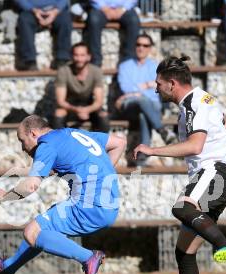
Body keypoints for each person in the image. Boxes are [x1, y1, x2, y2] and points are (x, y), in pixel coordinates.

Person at [133, 56, 226, 274]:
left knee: (182, 207)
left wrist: (152, 149)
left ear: (172, 83)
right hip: (215, 177)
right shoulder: (202, 99)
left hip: (211, 174)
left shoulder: (194, 103)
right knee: (183, 253)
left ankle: (224, 245)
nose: (156, 89)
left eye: (159, 84)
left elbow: (196, 146)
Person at [0, 115, 126, 274]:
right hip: (109, 205)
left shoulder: (46, 145)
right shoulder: (71, 134)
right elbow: (119, 142)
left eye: (22, 140)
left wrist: (6, 197)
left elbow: (30, 186)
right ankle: (8, 267)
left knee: (32, 232)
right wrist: (101, 175)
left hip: (90, 206)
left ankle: (88, 257)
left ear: (33, 133)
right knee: (43, 227)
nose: (22, 148)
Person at [116, 33, 177, 166]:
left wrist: (137, 91)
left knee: (144, 113)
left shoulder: (156, 67)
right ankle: (162, 130)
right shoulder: (124, 66)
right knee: (143, 101)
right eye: (138, 44)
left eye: (145, 45)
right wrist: (148, 86)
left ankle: (141, 158)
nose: (141, 48)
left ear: (150, 48)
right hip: (130, 105)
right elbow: (125, 88)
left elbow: (160, 88)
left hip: (150, 105)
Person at [54, 41, 109, 132]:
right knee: (59, 114)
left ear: (89, 56)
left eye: (82, 55)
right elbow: (61, 101)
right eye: (76, 55)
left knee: (103, 115)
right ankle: (59, 143)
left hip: (89, 105)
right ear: (72, 56)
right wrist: (77, 110)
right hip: (70, 106)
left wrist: (86, 110)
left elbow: (99, 101)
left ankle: (102, 144)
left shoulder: (96, 71)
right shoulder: (63, 71)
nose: (79, 59)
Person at [15, 0, 72, 70]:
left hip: (56, 11)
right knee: (24, 21)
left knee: (65, 21)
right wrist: (34, 10)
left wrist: (55, 12)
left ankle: (62, 59)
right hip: (31, 11)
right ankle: (29, 60)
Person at [85, 0, 140, 67]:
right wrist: (104, 8)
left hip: (124, 9)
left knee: (133, 21)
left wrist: (123, 9)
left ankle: (128, 60)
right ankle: (96, 60)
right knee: (94, 20)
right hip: (100, 7)